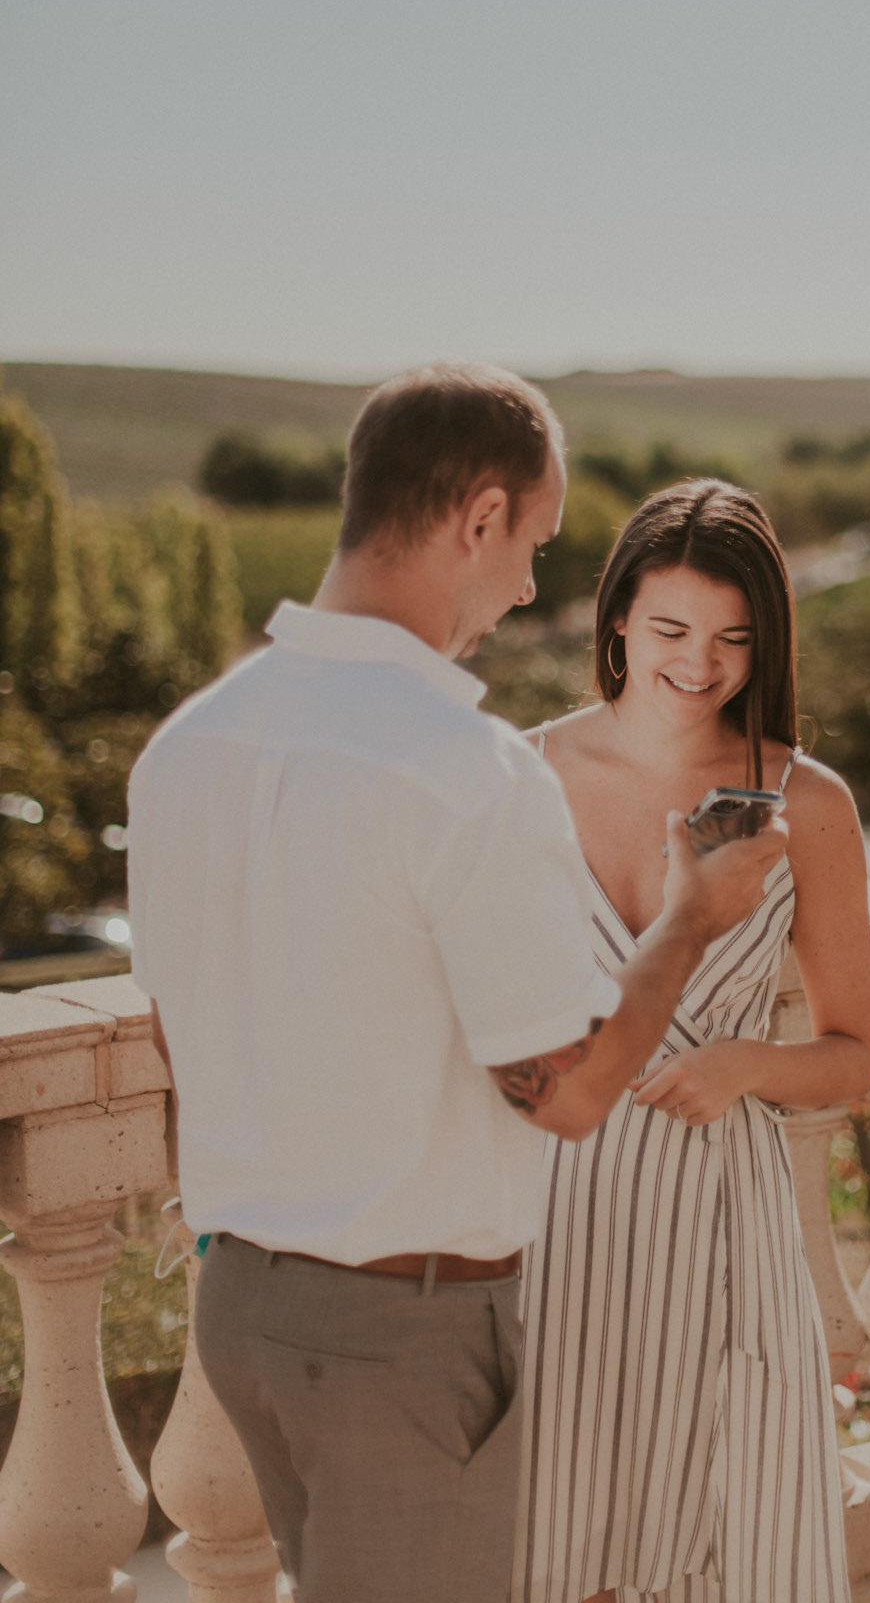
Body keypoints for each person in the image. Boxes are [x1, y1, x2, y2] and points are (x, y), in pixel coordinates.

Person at [127, 366, 787, 1603]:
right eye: (533, 541)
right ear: (478, 516)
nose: (531, 583)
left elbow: (179, 1028)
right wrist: (690, 921)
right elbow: (573, 1090)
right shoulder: (464, 766)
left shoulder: (188, 747)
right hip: (398, 1340)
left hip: (240, 1309)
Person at [514, 479, 870, 1603]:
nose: (700, 661)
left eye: (734, 637)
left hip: (718, 1230)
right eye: (671, 628)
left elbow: (852, 1052)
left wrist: (745, 1064)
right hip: (543, 1222)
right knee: (547, 1548)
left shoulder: (803, 800)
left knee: (731, 1555)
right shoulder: (514, 777)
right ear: (616, 617)